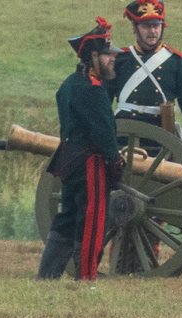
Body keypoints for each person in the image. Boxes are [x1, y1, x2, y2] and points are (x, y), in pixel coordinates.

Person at [37, 20, 123, 281]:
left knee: (68, 217)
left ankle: (47, 274)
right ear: (94, 56)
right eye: (108, 55)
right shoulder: (93, 90)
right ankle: (86, 277)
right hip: (91, 162)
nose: (112, 59)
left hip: (69, 160)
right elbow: (103, 132)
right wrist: (115, 161)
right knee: (93, 221)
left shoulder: (69, 85)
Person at [110, 0, 182, 145]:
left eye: (156, 25)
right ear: (135, 28)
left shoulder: (177, 61)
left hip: (160, 135)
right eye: (146, 26)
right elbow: (105, 100)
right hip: (124, 134)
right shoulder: (120, 59)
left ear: (162, 27)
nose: (152, 31)